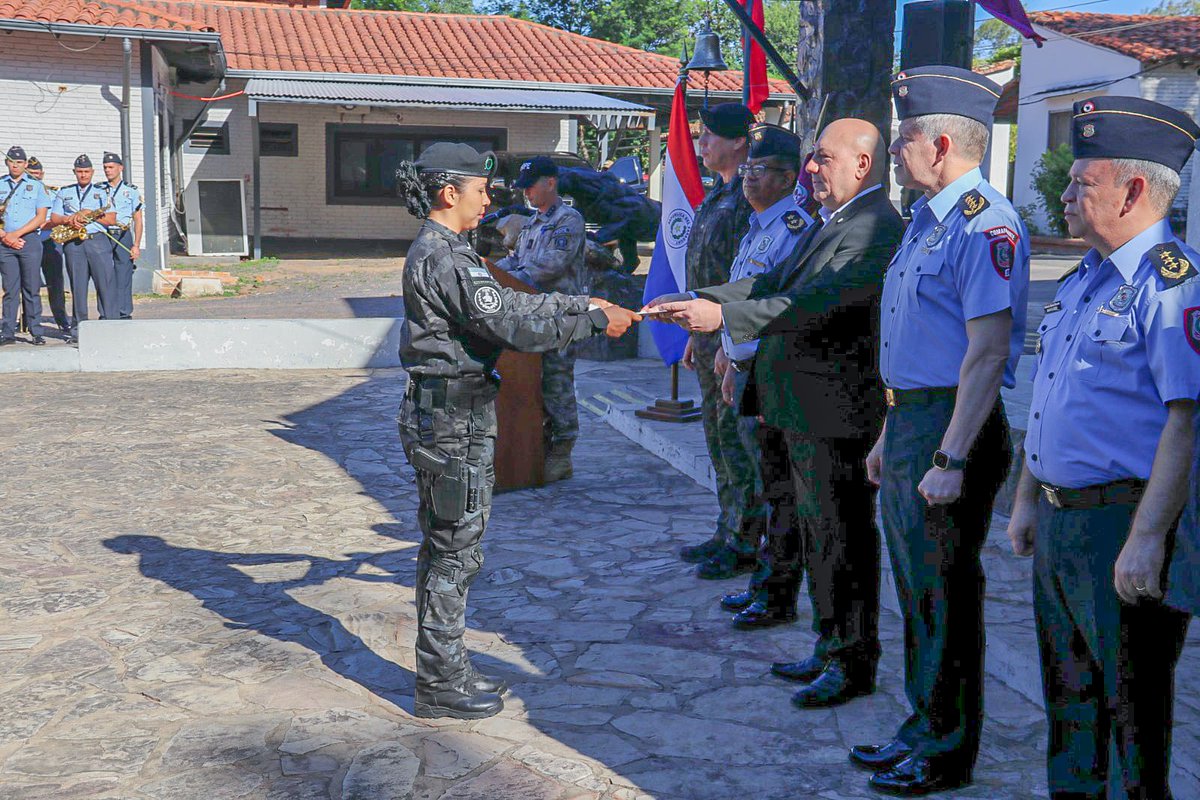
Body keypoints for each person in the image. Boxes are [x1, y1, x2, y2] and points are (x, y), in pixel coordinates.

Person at [645, 119, 900, 708]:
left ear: (862, 165)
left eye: (823, 159)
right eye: (810, 160)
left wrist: (727, 322)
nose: (811, 168)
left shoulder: (873, 227)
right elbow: (771, 279)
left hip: (836, 414)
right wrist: (702, 299)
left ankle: (851, 660)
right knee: (818, 535)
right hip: (804, 409)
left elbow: (814, 303)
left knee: (842, 541)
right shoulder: (834, 223)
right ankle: (829, 644)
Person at [394, 142, 639, 721]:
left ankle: (443, 668)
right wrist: (592, 317)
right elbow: (510, 321)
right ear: (448, 193)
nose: (489, 201)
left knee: (450, 547)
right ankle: (440, 681)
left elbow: (508, 304)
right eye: (480, 192)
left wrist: (584, 304)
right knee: (455, 552)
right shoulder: (445, 257)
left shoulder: (450, 251)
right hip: (453, 420)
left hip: (453, 413)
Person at [1006, 96, 1200, 800]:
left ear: (1136, 190)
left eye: (1080, 182)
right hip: (1063, 519)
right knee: (1069, 700)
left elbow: (1186, 422)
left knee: (1130, 713)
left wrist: (1148, 539)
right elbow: (1052, 399)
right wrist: (1029, 498)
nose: (1061, 194)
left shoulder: (1173, 286)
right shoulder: (1085, 278)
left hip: (1122, 522)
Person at [846, 66, 1030, 796]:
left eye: (904, 139)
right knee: (918, 588)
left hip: (958, 423)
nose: (896, 152)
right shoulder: (929, 220)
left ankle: (948, 748)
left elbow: (985, 353)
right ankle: (923, 724)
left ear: (943, 142)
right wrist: (896, 429)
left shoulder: (987, 223)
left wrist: (951, 454)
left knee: (945, 593)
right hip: (917, 417)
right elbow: (920, 339)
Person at [675, 102, 770, 582]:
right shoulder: (718, 197)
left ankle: (746, 539)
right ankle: (726, 527)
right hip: (709, 337)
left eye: (709, 136)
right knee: (717, 439)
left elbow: (745, 282)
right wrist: (696, 337)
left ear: (738, 142)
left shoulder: (743, 203)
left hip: (733, 340)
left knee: (737, 440)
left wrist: (728, 342)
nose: (701, 145)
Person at [495, 156, 589, 482]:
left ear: (551, 182)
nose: (526, 194)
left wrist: (514, 278)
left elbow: (550, 266)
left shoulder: (569, 220)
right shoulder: (532, 223)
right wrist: (488, 274)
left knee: (557, 384)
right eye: (523, 189)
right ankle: (539, 447)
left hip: (562, 318)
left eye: (531, 186)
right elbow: (516, 261)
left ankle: (561, 453)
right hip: (534, 318)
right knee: (534, 385)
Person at [50, 155, 118, 341]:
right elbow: (54, 218)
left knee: (105, 285)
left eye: (86, 171)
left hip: (97, 241)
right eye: (79, 172)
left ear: (92, 173)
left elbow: (111, 219)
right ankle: (79, 330)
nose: (83, 175)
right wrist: (69, 219)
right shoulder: (65, 192)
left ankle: (110, 325)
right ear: (74, 172)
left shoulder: (101, 191)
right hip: (73, 243)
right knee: (78, 288)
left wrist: (89, 215)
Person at [555, 165, 660, 271]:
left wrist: (593, 237)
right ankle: (626, 269)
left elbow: (617, 225)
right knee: (626, 240)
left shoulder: (614, 197)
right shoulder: (586, 195)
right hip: (630, 229)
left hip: (655, 223)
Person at [0, 145, 51, 345]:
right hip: (4, 241)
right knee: (10, 289)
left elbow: (41, 217)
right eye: (12, 161)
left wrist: (16, 234)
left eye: (19, 162)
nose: (15, 165)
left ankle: (36, 330)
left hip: (29, 240)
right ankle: (7, 331)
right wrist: (5, 236)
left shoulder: (36, 185)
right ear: (7, 163)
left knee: (31, 287)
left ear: (25, 164)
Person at [26, 157, 72, 337]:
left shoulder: (52, 193)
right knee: (29, 285)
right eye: (31, 174)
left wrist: (39, 223)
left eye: (37, 174)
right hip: (27, 243)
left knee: (55, 284)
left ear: (42, 174)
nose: (34, 177)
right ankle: (30, 322)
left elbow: (56, 217)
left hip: (48, 243)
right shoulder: (22, 191)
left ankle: (61, 320)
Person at [99, 152, 142, 319]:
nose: (107, 171)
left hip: (122, 233)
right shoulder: (98, 189)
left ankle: (124, 313)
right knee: (103, 274)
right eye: (105, 168)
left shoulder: (130, 190)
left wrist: (136, 244)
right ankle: (105, 313)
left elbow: (138, 219)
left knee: (124, 274)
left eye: (110, 167)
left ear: (120, 168)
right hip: (104, 234)